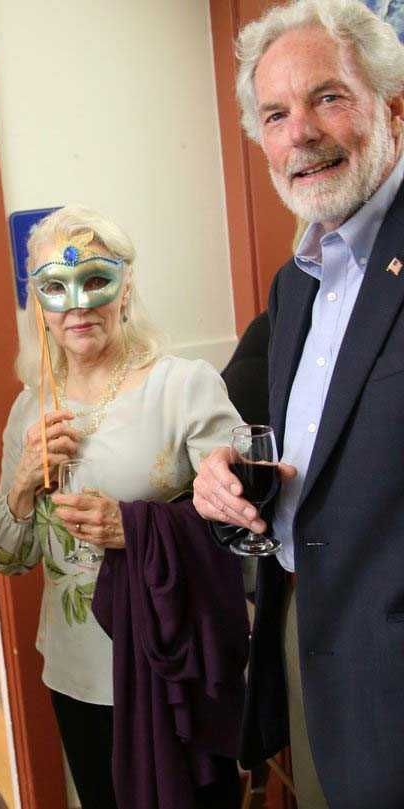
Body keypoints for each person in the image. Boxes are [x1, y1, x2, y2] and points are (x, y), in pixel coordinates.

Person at [192, 1, 404, 806]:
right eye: (276, 114)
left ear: (393, 106)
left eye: (329, 97)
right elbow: (293, 452)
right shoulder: (296, 285)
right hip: (306, 655)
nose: (300, 133)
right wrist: (217, 477)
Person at [0, 205, 244, 808]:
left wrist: (134, 528)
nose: (77, 304)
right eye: (55, 287)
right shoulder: (30, 408)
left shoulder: (183, 387)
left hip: (167, 665)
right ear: (38, 305)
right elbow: (7, 556)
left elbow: (243, 527)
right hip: (74, 669)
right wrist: (23, 479)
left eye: (95, 280)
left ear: (126, 288)